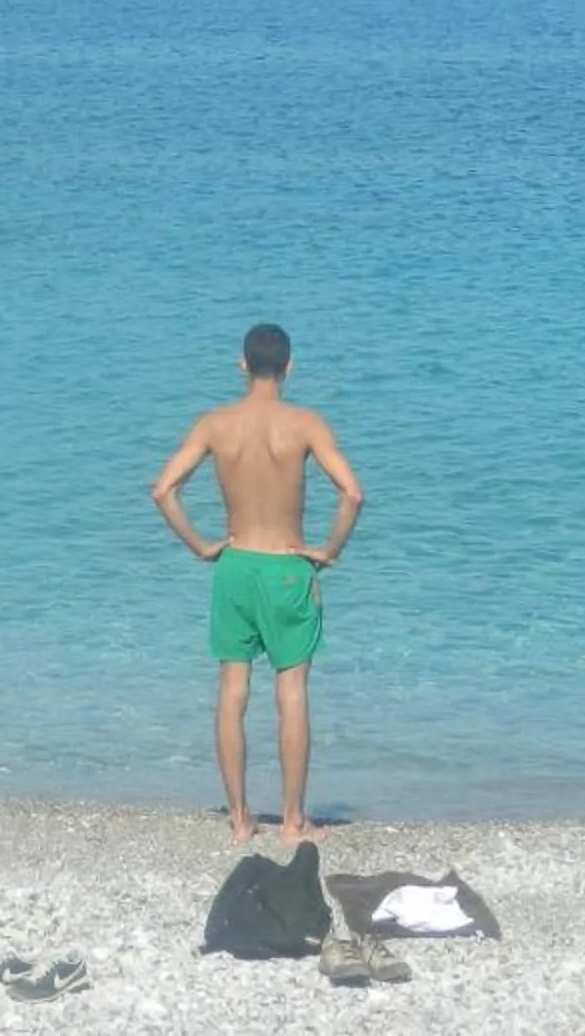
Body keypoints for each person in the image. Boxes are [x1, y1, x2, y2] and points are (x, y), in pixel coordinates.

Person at [150, 322, 364, 843]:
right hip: (288, 566)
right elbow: (352, 495)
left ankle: (241, 819)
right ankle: (292, 821)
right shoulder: (305, 425)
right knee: (291, 693)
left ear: (243, 366)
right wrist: (329, 551)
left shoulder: (215, 425)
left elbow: (163, 491)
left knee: (232, 692)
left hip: (236, 566)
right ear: (289, 367)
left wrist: (201, 545)